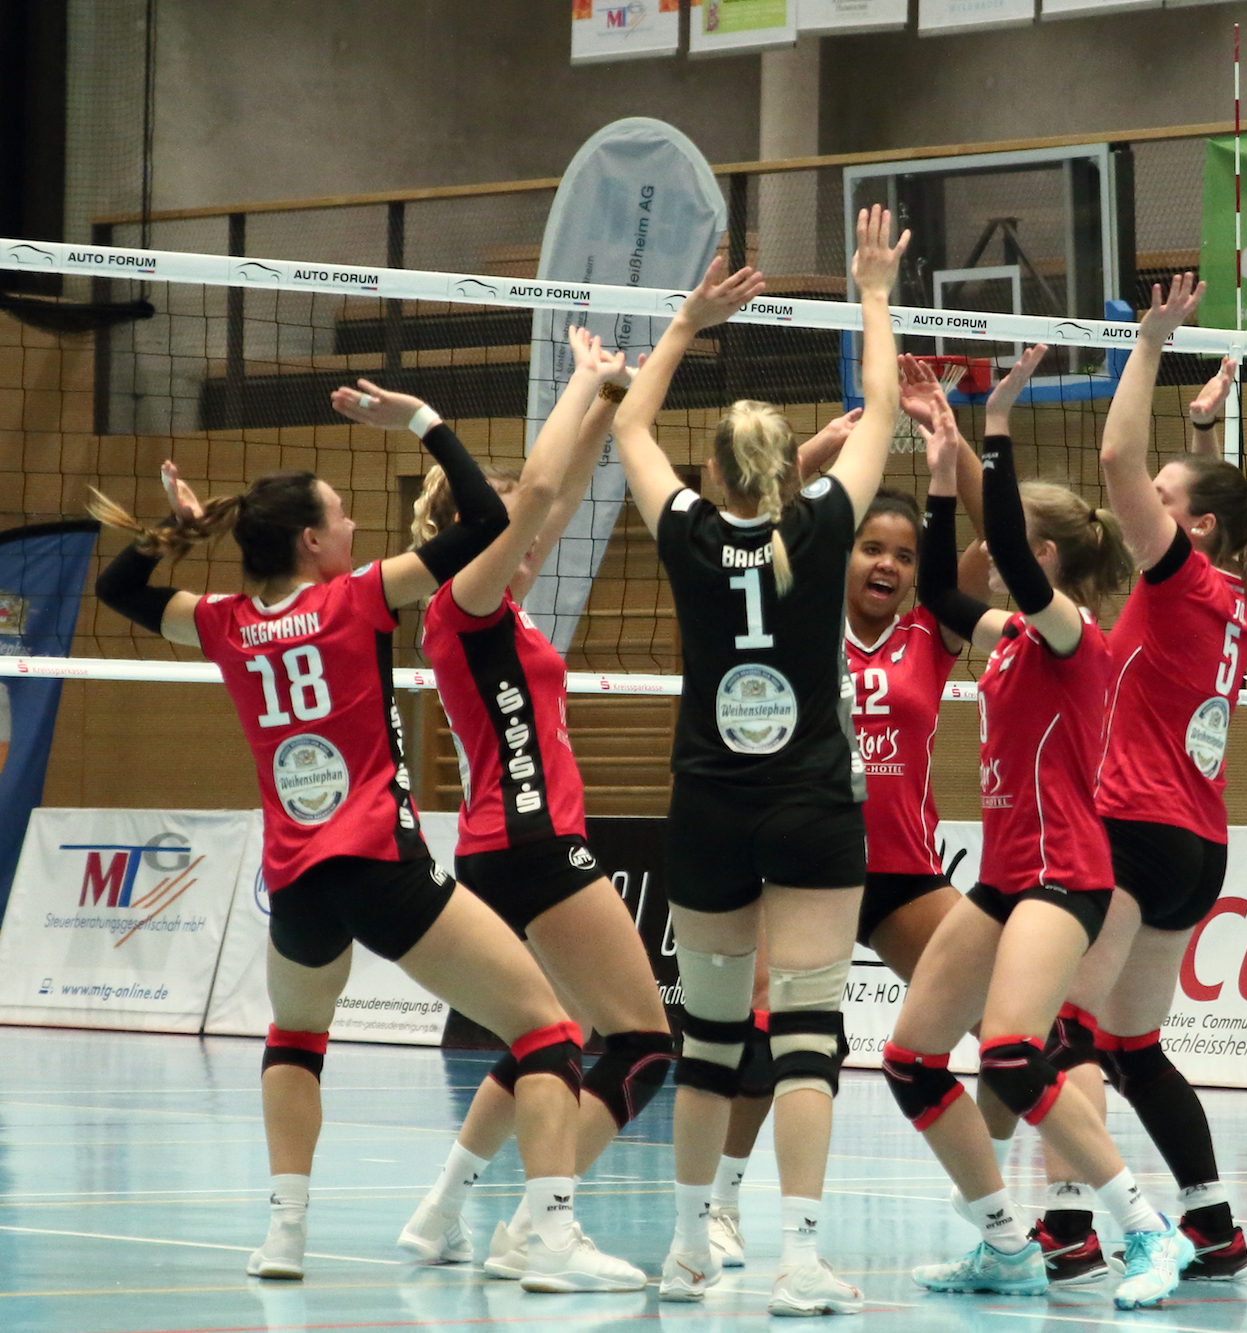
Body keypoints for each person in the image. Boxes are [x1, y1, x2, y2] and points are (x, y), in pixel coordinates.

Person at [87, 390, 645, 1292]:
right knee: (545, 1031)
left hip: (294, 882)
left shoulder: (224, 622)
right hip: (383, 866)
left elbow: (116, 590)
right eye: (341, 514)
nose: (352, 525)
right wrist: (424, 420)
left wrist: (174, 531)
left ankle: (284, 1233)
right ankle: (548, 1236)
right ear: (312, 540)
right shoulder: (359, 597)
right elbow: (490, 521)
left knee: (295, 1038)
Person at [608, 204, 905, 1316]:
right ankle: (799, 1260)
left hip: (708, 811)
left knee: (709, 1041)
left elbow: (628, 427)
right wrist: (871, 290)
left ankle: (689, 1246)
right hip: (812, 805)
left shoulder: (687, 530)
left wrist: (686, 324)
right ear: (787, 469)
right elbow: (883, 409)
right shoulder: (821, 527)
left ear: (717, 471)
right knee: (810, 1037)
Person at [891, 343, 1195, 1313]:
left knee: (1014, 1053)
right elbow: (939, 596)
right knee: (910, 1059)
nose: (994, 550)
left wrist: (992, 423)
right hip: (1003, 873)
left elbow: (1011, 563)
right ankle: (1003, 1244)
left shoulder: (1071, 636)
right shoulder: (1008, 637)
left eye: (1014, 540)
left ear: (1049, 560)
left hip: (1066, 873)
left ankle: (1146, 1229)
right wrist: (940, 475)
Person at [381, 328, 676, 1278]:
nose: (533, 542)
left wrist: (610, 402)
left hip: (498, 844)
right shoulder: (462, 601)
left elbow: (560, 494)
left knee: (540, 1034)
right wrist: (583, 377)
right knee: (641, 1043)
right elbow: (541, 494)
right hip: (536, 840)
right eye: (514, 528)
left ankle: (442, 1211)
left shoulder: (492, 607)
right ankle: (543, 1226)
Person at [703, 359, 988, 1271]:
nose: (889, 564)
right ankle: (719, 1201)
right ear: (844, 549)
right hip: (804, 862)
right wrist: (821, 450)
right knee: (769, 1027)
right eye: (872, 547)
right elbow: (751, 521)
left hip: (901, 871)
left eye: (903, 553)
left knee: (1010, 1025)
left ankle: (995, 1198)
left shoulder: (934, 627)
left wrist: (950, 440)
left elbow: (1003, 539)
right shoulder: (800, 607)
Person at [1024, 276, 1247, 1287]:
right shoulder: (1236, 595)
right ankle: (1214, 1224)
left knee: (1068, 1031)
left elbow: (1115, 458)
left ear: (1192, 530)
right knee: (1133, 1045)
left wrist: (1149, 344)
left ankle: (1067, 1225)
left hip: (1132, 827)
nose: (1146, 511)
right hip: (1197, 844)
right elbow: (1200, 495)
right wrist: (1205, 428)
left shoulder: (1180, 577)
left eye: (1167, 506)